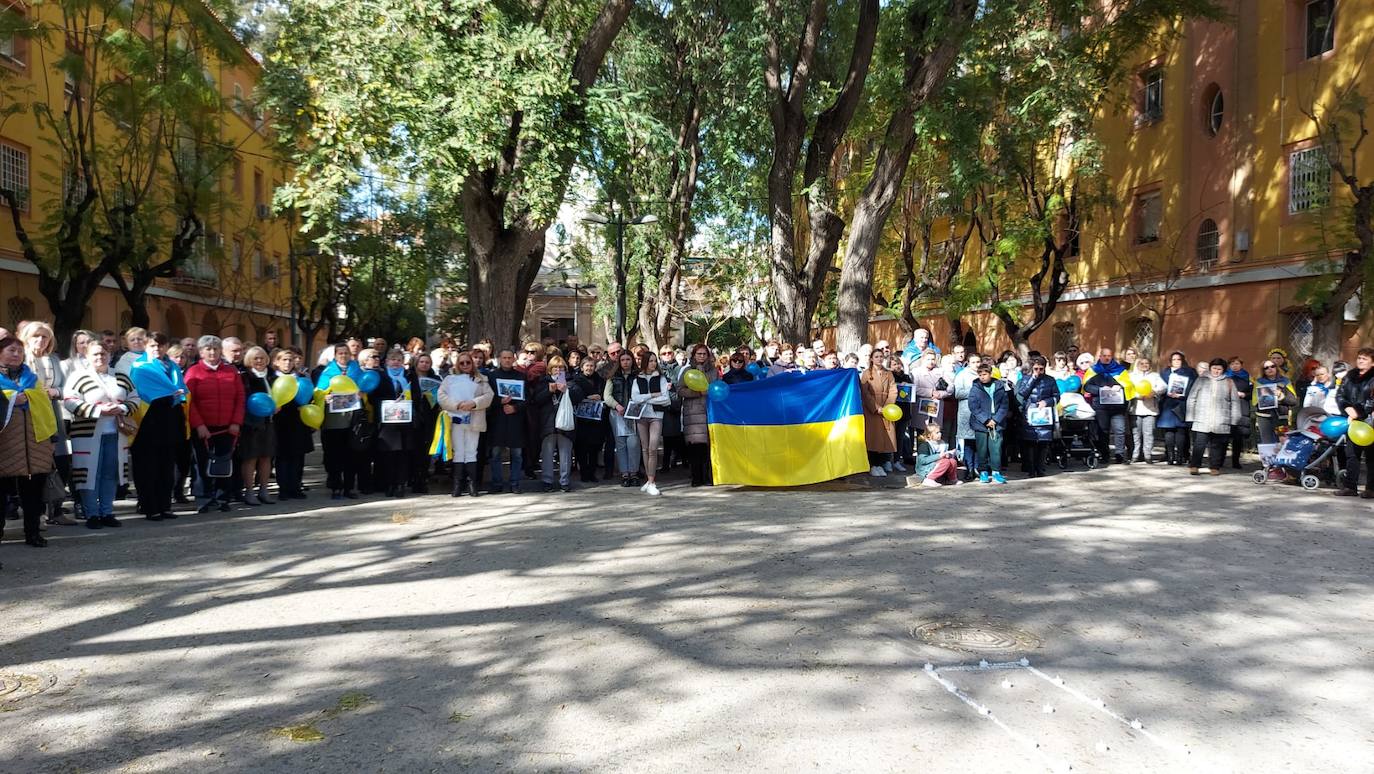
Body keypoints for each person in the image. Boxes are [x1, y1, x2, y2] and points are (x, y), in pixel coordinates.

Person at [63, 342, 136, 529]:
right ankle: (91, 513)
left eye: (103, 353)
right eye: (95, 354)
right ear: (87, 356)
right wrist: (97, 410)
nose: (100, 357)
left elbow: (135, 398)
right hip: (87, 434)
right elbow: (69, 400)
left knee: (110, 473)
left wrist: (121, 407)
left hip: (116, 433)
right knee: (89, 474)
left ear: (109, 355)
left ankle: (107, 512)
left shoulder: (120, 376)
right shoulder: (78, 376)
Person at [0, 335, 58, 547]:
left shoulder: (33, 379)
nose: (16, 355)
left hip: (35, 445)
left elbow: (47, 411)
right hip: (5, 447)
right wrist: (13, 398)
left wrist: (53, 438)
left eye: (19, 351)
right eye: (11, 350)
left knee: (33, 495)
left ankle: (33, 533)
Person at [20, 321, 74, 525]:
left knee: (59, 461)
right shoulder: (21, 359)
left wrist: (55, 392)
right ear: (27, 337)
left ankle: (56, 509)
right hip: (28, 414)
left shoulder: (53, 359)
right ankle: (36, 514)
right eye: (36, 336)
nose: (40, 340)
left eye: (45, 337)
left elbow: (65, 387)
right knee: (35, 465)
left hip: (52, 413)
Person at [129, 334, 188, 520]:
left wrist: (174, 394)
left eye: (161, 345)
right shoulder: (140, 366)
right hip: (148, 418)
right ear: (146, 346)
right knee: (148, 466)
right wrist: (168, 392)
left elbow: (181, 389)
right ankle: (149, 506)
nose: (157, 349)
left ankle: (165, 505)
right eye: (153, 345)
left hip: (170, 416)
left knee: (167, 465)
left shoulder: (172, 366)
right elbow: (142, 391)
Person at [185, 336, 244, 512]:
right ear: (201, 352)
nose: (212, 352)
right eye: (208, 349)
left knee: (224, 462)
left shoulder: (231, 371)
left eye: (215, 349)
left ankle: (222, 497)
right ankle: (203, 497)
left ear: (220, 351)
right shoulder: (193, 372)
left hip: (227, 426)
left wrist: (236, 422)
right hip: (203, 427)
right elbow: (190, 401)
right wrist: (199, 425)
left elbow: (240, 398)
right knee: (202, 463)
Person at [437, 351, 493, 497]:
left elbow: (489, 396)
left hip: (474, 419)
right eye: (462, 363)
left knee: (472, 451)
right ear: (458, 364)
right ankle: (457, 485)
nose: (465, 365)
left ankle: (472, 484)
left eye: (468, 362)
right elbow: (441, 396)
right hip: (455, 419)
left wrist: (473, 403)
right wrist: (457, 404)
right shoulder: (449, 379)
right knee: (458, 452)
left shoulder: (481, 379)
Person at [530, 356, 584, 492]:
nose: (558, 370)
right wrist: (549, 391)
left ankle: (564, 481)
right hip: (547, 423)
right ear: (549, 370)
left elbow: (579, 397)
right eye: (555, 367)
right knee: (547, 453)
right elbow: (536, 400)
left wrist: (567, 391)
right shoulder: (543, 382)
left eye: (561, 368)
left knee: (565, 453)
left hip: (566, 423)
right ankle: (547, 481)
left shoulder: (571, 382)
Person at [317, 343, 363, 500]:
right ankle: (336, 486)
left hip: (352, 418)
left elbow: (362, 385)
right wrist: (325, 396)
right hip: (333, 420)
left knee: (351, 454)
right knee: (334, 454)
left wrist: (361, 393)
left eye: (346, 353)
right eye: (340, 353)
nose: (343, 356)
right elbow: (319, 391)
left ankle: (349, 487)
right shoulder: (328, 371)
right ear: (335, 356)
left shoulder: (356, 369)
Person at [1185, 358, 1242, 476]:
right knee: (1199, 444)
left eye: (1219, 369)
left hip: (1221, 419)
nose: (1216, 371)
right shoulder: (1201, 380)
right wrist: (1190, 416)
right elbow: (1192, 398)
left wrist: (1235, 419)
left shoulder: (1229, 381)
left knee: (1217, 445)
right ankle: (1194, 465)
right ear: (1210, 368)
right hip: (1202, 417)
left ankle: (1214, 467)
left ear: (1223, 370)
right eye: (1214, 368)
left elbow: (1235, 402)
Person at [370, 349, 415, 498]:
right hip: (387, 422)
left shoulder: (409, 376)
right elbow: (373, 397)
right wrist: (387, 403)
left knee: (403, 454)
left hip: (405, 421)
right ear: (387, 361)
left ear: (403, 361)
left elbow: (417, 395)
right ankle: (389, 484)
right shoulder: (381, 377)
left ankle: (400, 484)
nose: (395, 362)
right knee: (388, 454)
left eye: (398, 359)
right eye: (392, 359)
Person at [236, 346, 277, 505]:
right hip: (251, 423)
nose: (259, 361)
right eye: (256, 358)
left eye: (262, 358)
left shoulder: (272, 375)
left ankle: (264, 489)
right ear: (249, 360)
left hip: (269, 421)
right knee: (250, 457)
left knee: (266, 456)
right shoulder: (245, 376)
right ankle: (249, 491)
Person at [629, 352, 673, 496]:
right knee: (645, 448)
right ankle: (649, 479)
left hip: (656, 416)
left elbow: (666, 399)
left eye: (655, 361)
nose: (653, 364)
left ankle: (652, 481)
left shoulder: (661, 378)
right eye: (651, 361)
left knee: (653, 448)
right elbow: (634, 398)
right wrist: (652, 395)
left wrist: (646, 400)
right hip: (641, 416)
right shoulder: (638, 378)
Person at [271, 348, 311, 500]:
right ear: (277, 362)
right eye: (284, 360)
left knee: (298, 456)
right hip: (280, 422)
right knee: (282, 457)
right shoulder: (272, 379)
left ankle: (296, 486)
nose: (287, 363)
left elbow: (309, 395)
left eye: (290, 360)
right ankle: (284, 489)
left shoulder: (301, 377)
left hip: (299, 421)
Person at [487, 349, 527, 494]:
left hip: (515, 421)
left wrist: (515, 408)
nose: (507, 360)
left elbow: (528, 399)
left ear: (514, 359)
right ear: (499, 359)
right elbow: (487, 398)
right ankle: (497, 483)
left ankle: (515, 483)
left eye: (510, 358)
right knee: (496, 453)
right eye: (504, 358)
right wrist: (500, 402)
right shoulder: (492, 376)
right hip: (498, 420)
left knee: (516, 454)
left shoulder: (521, 377)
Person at [1336, 348, 1374, 497]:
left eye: (1364, 359)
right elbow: (1340, 395)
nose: (1360, 361)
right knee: (1351, 454)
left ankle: (1371, 489)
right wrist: (1346, 408)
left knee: (1371, 456)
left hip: (1369, 420)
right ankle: (1350, 487)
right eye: (1359, 358)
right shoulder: (1349, 376)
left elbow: (1372, 400)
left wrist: (1358, 412)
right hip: (1352, 419)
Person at [677, 344, 716, 487]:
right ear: (693, 355)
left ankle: (707, 477)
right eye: (699, 354)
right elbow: (680, 390)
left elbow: (717, 387)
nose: (702, 356)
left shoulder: (713, 371)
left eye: (704, 354)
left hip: (709, 410)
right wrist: (697, 393)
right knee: (695, 446)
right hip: (692, 413)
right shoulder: (687, 370)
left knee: (707, 446)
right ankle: (696, 477)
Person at [1016, 355, 1060, 478]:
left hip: (1045, 414)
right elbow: (1022, 393)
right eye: (1036, 368)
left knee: (1043, 443)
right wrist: (1032, 379)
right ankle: (1031, 468)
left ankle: (1040, 468)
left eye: (1041, 369)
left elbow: (1057, 396)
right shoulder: (1025, 379)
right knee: (1030, 443)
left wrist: (1047, 402)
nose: (1039, 371)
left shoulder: (1050, 380)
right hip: (1030, 413)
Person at [603, 351, 642, 488]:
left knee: (633, 443)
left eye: (628, 359)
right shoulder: (612, 377)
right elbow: (607, 396)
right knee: (621, 444)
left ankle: (634, 473)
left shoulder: (638, 376)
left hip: (634, 413)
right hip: (617, 414)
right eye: (623, 359)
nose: (625, 362)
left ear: (632, 360)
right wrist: (617, 406)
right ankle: (625, 474)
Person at [1083, 347, 1129, 464]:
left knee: (1119, 430)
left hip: (1118, 407)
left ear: (1111, 356)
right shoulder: (1093, 370)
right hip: (1101, 406)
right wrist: (1100, 389)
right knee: (1103, 431)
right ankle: (1105, 454)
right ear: (1100, 357)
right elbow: (1087, 387)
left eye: (1109, 356)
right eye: (1104, 355)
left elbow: (1129, 386)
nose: (1106, 358)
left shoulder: (1121, 370)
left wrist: (1121, 387)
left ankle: (1119, 454)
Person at [967, 363, 1009, 484]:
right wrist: (986, 420)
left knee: (996, 448)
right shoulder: (975, 388)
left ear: (990, 374)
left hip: (997, 423)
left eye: (985, 374)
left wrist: (995, 420)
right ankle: (983, 472)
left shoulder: (1000, 386)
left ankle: (996, 471)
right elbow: (973, 406)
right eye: (980, 375)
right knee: (982, 449)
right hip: (981, 424)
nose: (982, 377)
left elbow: (1004, 405)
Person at [859, 351, 897, 477]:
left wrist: (888, 406)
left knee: (884, 437)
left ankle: (881, 464)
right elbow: (865, 392)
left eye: (881, 356)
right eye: (876, 357)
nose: (879, 359)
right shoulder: (866, 374)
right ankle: (872, 464)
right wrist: (876, 407)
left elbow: (893, 390)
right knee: (872, 437)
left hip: (886, 410)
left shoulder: (889, 373)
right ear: (871, 359)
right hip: (872, 411)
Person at [409, 353, 441, 493]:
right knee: (413, 449)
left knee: (426, 450)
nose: (424, 364)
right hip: (413, 417)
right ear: (417, 363)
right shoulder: (409, 377)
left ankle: (422, 479)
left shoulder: (435, 378)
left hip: (429, 417)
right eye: (422, 361)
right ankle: (412, 478)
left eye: (427, 362)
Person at [570, 358, 605, 484]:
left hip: (596, 419)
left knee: (594, 448)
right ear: (582, 367)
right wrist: (587, 397)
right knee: (581, 448)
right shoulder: (576, 380)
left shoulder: (600, 380)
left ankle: (592, 473)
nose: (589, 368)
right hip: (582, 419)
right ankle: (584, 473)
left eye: (591, 366)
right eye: (587, 366)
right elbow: (573, 396)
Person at [1158, 351, 1196, 466]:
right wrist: (1164, 392)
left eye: (1178, 359)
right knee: (1169, 430)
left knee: (1181, 431)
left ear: (1182, 360)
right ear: (1170, 361)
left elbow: (1193, 387)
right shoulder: (1165, 373)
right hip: (1167, 404)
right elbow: (1159, 386)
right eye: (1174, 360)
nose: (1176, 362)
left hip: (1181, 404)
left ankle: (1180, 456)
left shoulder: (1189, 372)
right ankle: (1170, 456)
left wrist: (1182, 395)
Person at [1128, 357, 1166, 463]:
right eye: (1142, 363)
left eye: (1147, 363)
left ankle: (1147, 455)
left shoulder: (1155, 376)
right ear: (1138, 364)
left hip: (1150, 409)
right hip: (1135, 409)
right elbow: (1128, 389)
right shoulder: (1132, 376)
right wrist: (1137, 395)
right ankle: (1135, 455)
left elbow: (1163, 387)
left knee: (1149, 433)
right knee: (1136, 433)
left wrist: (1154, 392)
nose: (1144, 365)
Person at [952, 352, 983, 480]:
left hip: (981, 412)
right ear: (968, 363)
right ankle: (969, 468)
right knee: (969, 441)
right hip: (967, 411)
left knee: (979, 441)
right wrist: (974, 390)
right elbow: (957, 393)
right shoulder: (962, 375)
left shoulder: (984, 374)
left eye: (978, 362)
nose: (976, 365)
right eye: (973, 362)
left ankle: (977, 467)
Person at [1252, 359, 1297, 447]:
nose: (1270, 369)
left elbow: (1293, 401)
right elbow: (1255, 402)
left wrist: (1281, 396)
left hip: (1281, 418)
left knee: (1282, 443)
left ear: (1276, 368)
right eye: (1266, 368)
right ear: (1263, 371)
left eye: (1272, 366)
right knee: (1268, 444)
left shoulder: (1285, 381)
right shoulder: (1259, 382)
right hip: (1265, 418)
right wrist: (1265, 398)